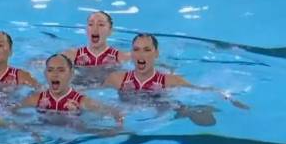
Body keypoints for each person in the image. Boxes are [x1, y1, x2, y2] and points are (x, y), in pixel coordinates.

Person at [104, 33, 249, 112]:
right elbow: (93, 92)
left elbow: (204, 89)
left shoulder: (170, 80)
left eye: (147, 50)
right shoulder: (116, 78)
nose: (141, 55)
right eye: (136, 50)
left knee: (176, 107)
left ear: (156, 54)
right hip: (127, 109)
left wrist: (229, 98)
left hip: (160, 106)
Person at [19, 54, 123, 125]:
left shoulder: (82, 101)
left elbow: (114, 113)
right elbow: (11, 111)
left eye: (61, 70)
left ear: (71, 74)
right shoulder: (35, 99)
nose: (55, 75)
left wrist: (118, 127)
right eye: (50, 70)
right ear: (45, 74)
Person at [62, 11, 129, 67]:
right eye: (90, 24)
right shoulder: (70, 56)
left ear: (110, 31)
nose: (95, 29)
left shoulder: (122, 57)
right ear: (86, 30)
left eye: (101, 25)